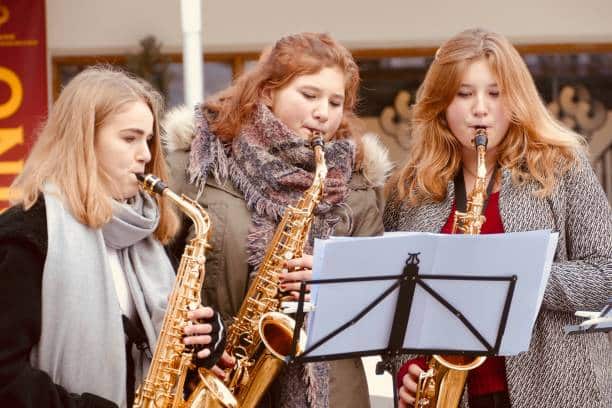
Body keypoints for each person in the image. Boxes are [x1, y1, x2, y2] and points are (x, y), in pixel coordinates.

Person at [383, 28, 612, 408]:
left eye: (495, 93)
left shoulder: (563, 168)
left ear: (516, 98)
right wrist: (405, 370)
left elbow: (607, 275)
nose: (480, 109)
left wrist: (513, 278)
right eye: (463, 93)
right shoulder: (409, 190)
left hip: (559, 390)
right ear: (441, 103)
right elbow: (394, 309)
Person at [163, 32, 392, 408]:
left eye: (336, 102)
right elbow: (156, 278)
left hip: (334, 394)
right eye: (309, 95)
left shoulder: (356, 185)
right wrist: (202, 345)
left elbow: (382, 309)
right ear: (267, 92)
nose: (324, 112)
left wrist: (335, 281)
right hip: (215, 381)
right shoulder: (198, 166)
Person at [0, 66, 225, 408]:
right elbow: (6, 374)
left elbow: (178, 340)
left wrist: (209, 338)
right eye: (129, 138)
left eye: (148, 140)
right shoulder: (26, 234)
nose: (146, 155)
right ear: (83, 140)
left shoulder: (152, 230)